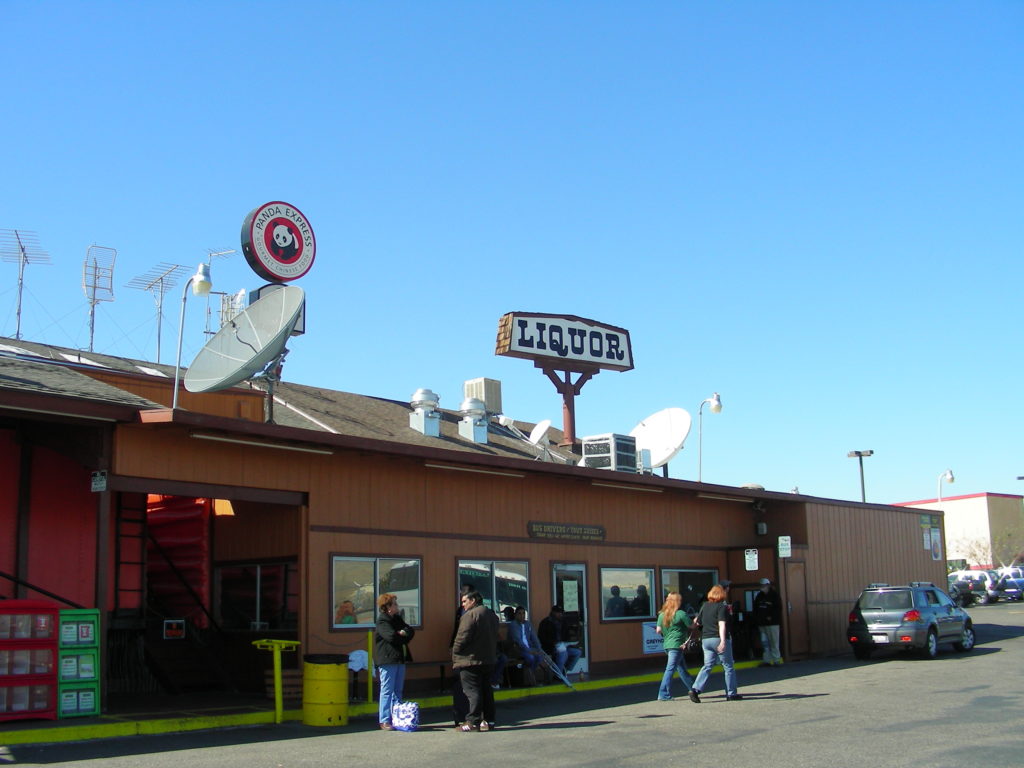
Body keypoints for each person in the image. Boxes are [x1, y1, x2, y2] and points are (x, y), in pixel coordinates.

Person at [452, 589, 499, 731]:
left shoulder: (470, 615)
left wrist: (455, 651)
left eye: (464, 601)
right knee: (486, 690)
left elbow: (462, 638)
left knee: (472, 691)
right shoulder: (491, 615)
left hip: (470, 660)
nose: (463, 604)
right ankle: (489, 721)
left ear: (473, 601)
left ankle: (472, 722)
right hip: (488, 659)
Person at [689, 584, 742, 703]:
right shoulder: (722, 607)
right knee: (728, 666)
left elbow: (697, 622)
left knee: (707, 665)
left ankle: (695, 689)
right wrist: (723, 641)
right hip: (718, 638)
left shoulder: (705, 606)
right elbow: (721, 624)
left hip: (706, 639)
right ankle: (731, 693)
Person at [374, 592, 414, 730]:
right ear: (388, 607)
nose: (397, 606)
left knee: (398, 690)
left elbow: (410, 630)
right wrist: (401, 634)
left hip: (399, 658)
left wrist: (403, 633)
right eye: (395, 604)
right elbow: (391, 637)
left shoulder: (397, 619)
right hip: (387, 660)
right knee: (387, 690)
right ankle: (384, 720)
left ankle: (397, 717)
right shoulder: (382, 621)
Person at [654, 592, 696, 701]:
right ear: (677, 601)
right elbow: (691, 626)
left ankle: (694, 689)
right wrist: (695, 621)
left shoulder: (662, 615)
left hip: (667, 645)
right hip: (677, 645)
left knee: (682, 669)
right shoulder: (681, 614)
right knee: (670, 669)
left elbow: (658, 630)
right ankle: (663, 694)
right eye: (680, 600)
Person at [538, 605, 581, 676]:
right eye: (558, 612)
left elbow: (567, 636)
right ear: (553, 612)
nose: (560, 614)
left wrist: (570, 642)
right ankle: (558, 675)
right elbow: (541, 638)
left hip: (563, 646)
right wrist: (553, 643)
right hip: (550, 648)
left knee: (577, 652)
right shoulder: (545, 622)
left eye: (561, 613)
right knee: (563, 653)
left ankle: (565, 670)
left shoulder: (563, 622)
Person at [507, 605, 544, 685]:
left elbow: (534, 638)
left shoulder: (528, 624)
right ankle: (530, 676)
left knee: (540, 657)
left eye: (523, 613)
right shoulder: (513, 625)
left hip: (529, 648)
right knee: (530, 658)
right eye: (519, 613)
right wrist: (529, 651)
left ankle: (530, 674)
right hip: (518, 649)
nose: (522, 615)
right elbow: (518, 641)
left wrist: (539, 649)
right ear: (515, 615)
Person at [754, 577, 783, 666]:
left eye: (763, 585)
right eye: (761, 585)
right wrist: (757, 619)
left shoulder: (774, 595)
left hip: (772, 624)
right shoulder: (759, 596)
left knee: (774, 642)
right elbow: (755, 608)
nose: (762, 586)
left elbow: (778, 608)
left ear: (768, 585)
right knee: (765, 643)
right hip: (762, 623)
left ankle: (776, 660)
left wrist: (771, 617)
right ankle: (767, 660)